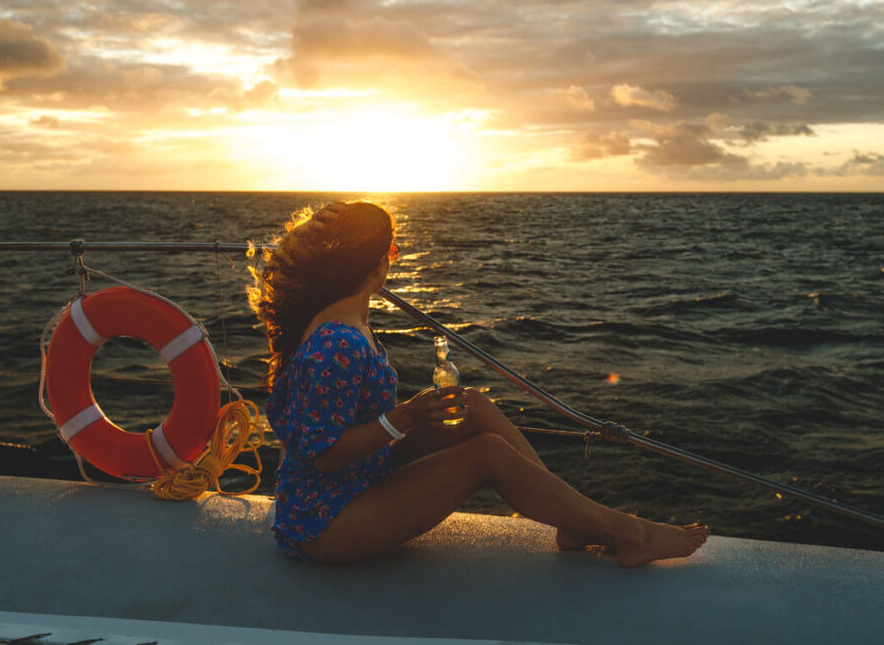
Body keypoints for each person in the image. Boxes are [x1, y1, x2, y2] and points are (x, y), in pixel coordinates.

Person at [249, 200, 708, 566]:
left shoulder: (345, 317)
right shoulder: (339, 344)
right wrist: (405, 417)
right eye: (391, 252)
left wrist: (407, 418)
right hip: (324, 523)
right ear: (372, 267)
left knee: (472, 406)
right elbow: (322, 456)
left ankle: (576, 522)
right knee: (485, 456)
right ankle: (630, 534)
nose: (394, 260)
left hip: (357, 480)